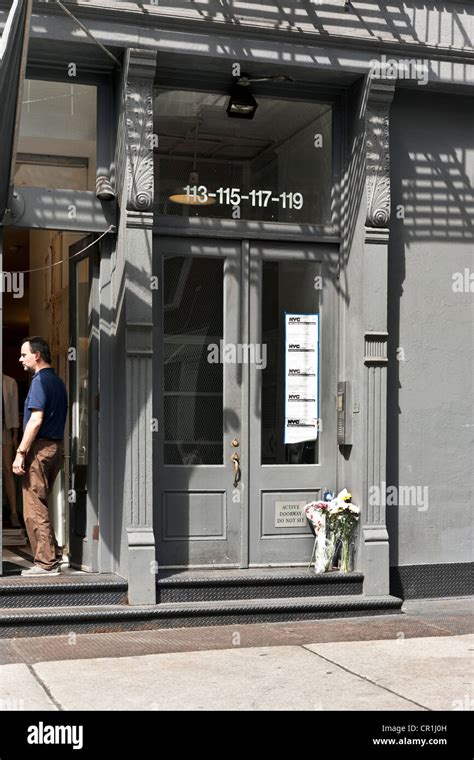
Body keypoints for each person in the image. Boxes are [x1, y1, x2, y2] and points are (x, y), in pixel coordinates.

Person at [12, 337, 68, 575]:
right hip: (55, 447)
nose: (20, 359)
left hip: (40, 448)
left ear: (37, 355)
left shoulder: (39, 382)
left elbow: (35, 421)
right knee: (40, 504)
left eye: (24, 354)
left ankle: (45, 563)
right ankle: (52, 555)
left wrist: (20, 452)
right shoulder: (57, 381)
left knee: (34, 506)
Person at [2, 373, 20, 527]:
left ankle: (13, 512)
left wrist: (15, 434)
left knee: (8, 470)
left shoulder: (10, 382)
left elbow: (14, 409)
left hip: (4, 430)